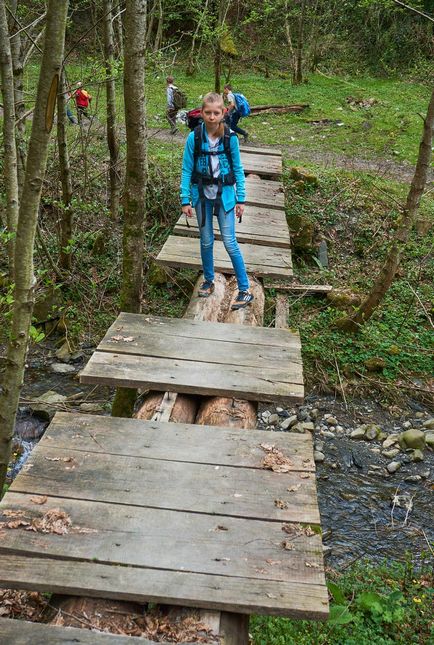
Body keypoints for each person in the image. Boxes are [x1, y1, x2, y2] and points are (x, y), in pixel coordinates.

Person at [180, 92, 254, 309]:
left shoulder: (230, 137)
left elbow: (238, 169)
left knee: (230, 242)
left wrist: (241, 198)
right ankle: (209, 280)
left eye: (216, 113)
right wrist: (185, 199)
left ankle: (244, 289)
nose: (212, 117)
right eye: (208, 112)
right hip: (201, 195)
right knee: (206, 240)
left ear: (223, 113)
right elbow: (186, 169)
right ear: (202, 113)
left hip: (226, 196)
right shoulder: (194, 138)